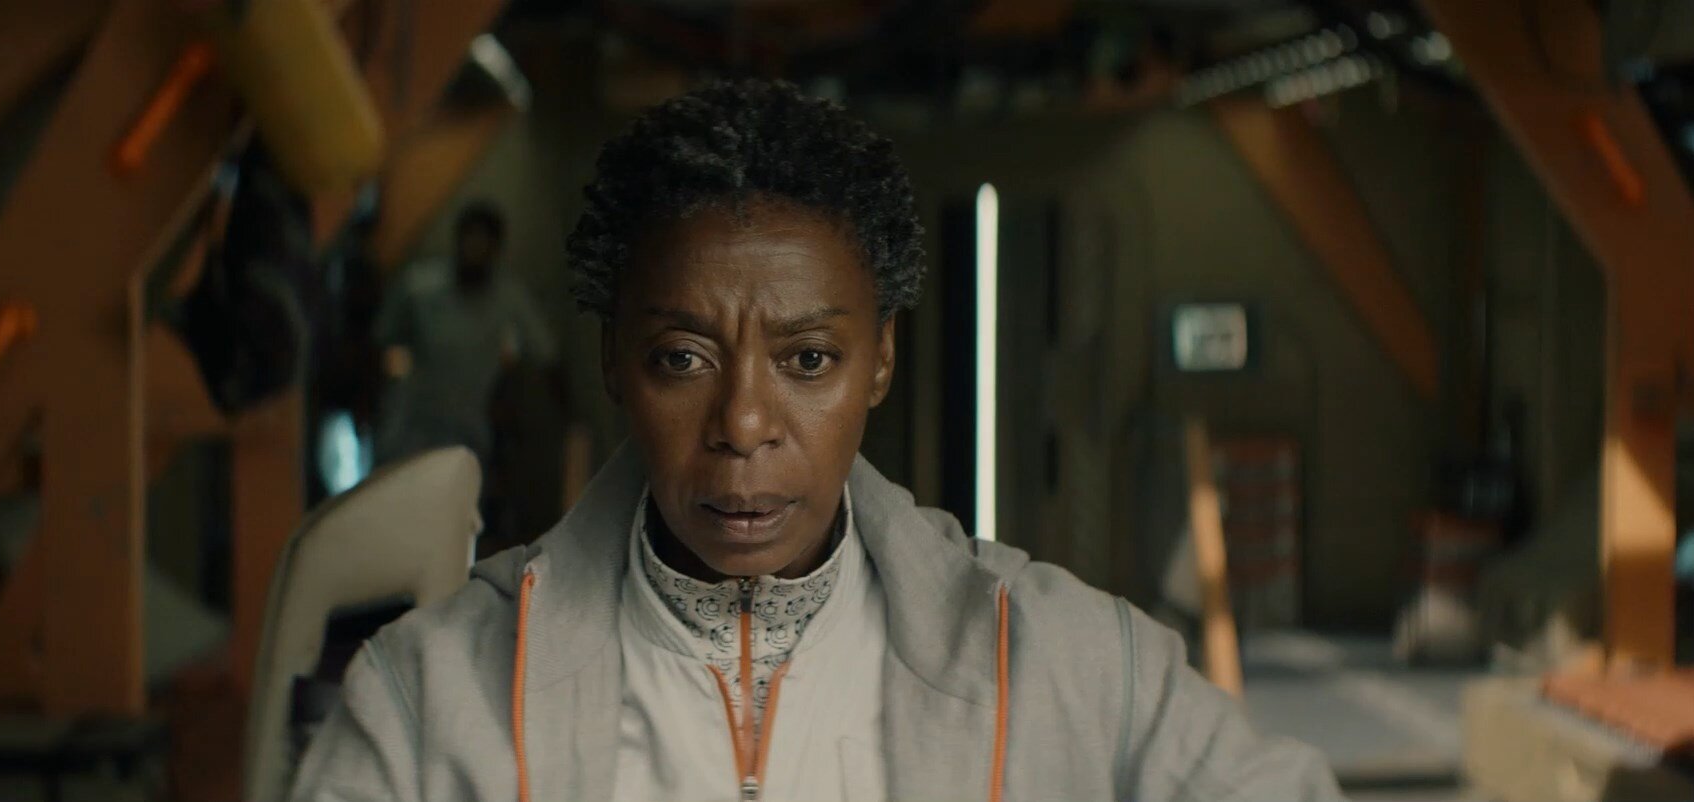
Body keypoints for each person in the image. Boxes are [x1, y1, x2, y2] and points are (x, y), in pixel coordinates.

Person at [294, 80, 1344, 802]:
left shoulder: (1073, 665)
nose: (743, 426)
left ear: (879, 361)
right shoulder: (436, 694)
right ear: (614, 361)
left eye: (806, 359)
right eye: (682, 358)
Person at [373, 201, 557, 470]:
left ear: (496, 249)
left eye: (484, 244)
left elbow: (546, 355)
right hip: (411, 428)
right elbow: (381, 341)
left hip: (468, 434)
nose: (475, 251)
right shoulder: (421, 286)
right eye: (470, 240)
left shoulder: (509, 298)